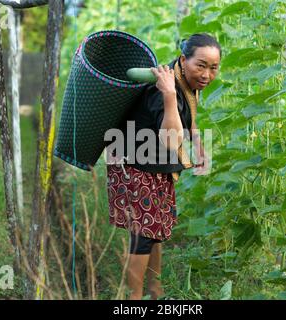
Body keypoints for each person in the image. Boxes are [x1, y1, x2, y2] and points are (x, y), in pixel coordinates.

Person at [106, 33, 222, 300]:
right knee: (144, 234)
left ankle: (155, 292)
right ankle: (131, 299)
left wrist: (200, 146)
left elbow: (187, 117)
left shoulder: (186, 81)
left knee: (154, 232)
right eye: (201, 65)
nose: (206, 74)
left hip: (156, 168)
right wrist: (169, 95)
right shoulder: (164, 89)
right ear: (183, 60)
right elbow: (171, 140)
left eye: (213, 68)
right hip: (135, 167)